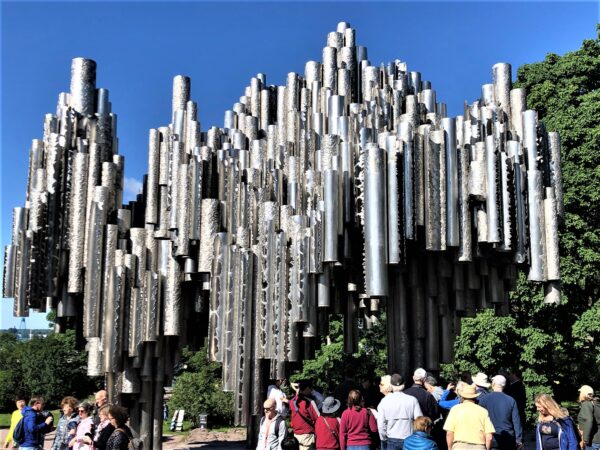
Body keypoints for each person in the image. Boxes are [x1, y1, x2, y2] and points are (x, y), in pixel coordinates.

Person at [376, 374, 423, 450]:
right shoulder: (412, 400)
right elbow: (419, 420)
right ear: (403, 385)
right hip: (409, 437)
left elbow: (381, 425)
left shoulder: (384, 401)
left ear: (391, 385)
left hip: (391, 438)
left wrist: (383, 438)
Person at [443, 384, 495, 450]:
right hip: (479, 447)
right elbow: (489, 437)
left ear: (462, 397)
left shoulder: (455, 409)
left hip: (459, 447)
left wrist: (449, 448)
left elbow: (449, 433)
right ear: (475, 397)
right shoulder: (483, 411)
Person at [478, 375, 523, 450]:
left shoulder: (484, 399)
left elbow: (479, 419)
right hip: (508, 438)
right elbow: (516, 422)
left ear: (493, 384)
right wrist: (519, 439)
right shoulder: (511, 400)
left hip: (491, 438)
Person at [290, 380, 321, 450]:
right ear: (307, 388)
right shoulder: (310, 402)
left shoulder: (292, 401)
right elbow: (319, 419)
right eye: (310, 388)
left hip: (295, 435)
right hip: (307, 436)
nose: (311, 391)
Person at [577, 386, 599, 450]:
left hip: (592, 441)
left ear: (584, 394)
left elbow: (589, 420)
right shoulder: (596, 403)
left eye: (580, 393)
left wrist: (585, 440)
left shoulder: (586, 404)